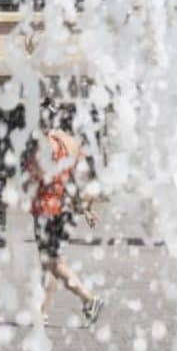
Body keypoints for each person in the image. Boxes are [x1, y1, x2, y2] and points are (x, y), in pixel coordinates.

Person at [25, 104, 103, 328]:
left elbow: (40, 175)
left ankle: (89, 299)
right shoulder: (68, 141)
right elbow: (82, 175)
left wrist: (27, 178)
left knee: (53, 262)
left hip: (47, 209)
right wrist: (86, 207)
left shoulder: (44, 144)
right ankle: (41, 312)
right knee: (49, 262)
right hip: (64, 207)